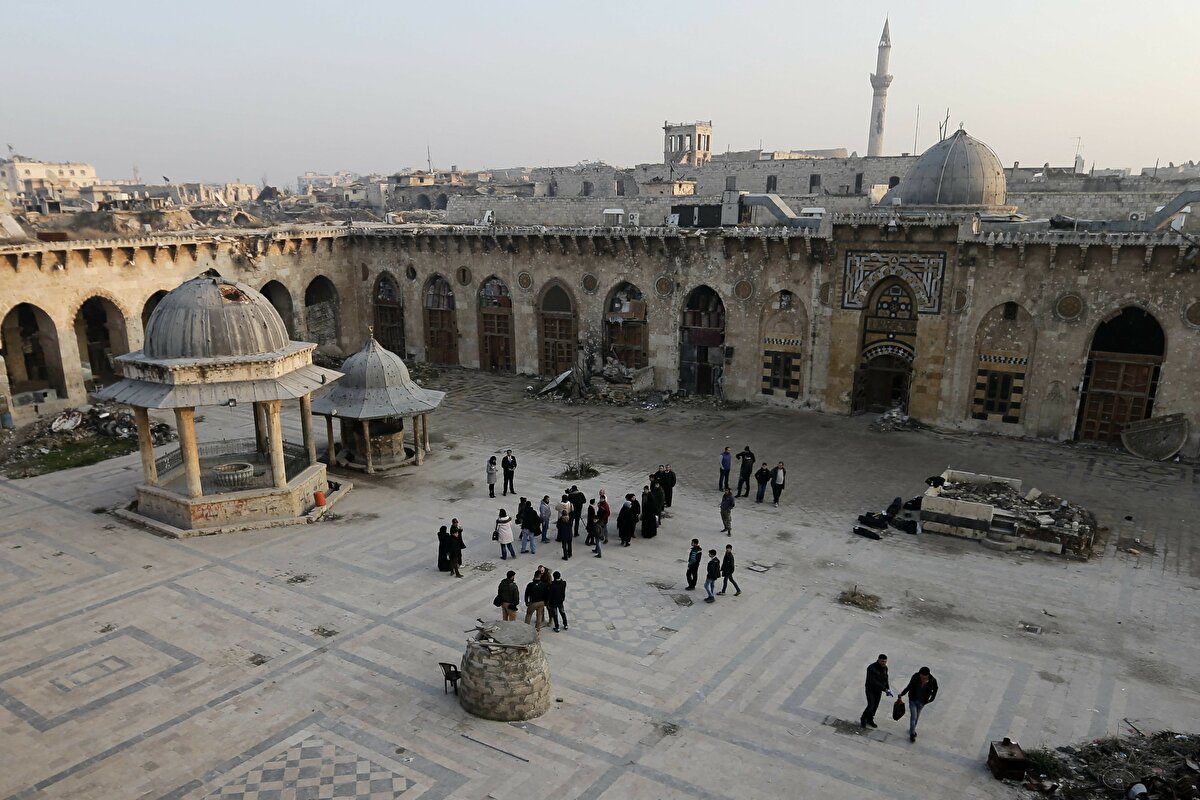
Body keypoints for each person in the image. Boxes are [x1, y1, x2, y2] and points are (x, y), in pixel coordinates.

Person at [899, 666, 938, 742]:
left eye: (924, 677)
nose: (922, 678)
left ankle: (912, 729)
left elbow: (936, 688)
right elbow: (909, 686)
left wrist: (932, 698)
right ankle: (912, 734)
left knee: (917, 716)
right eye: (921, 676)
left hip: (922, 702)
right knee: (913, 716)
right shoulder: (915, 677)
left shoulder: (932, 680)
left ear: (928, 675)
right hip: (913, 700)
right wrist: (903, 693)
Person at [860, 654, 893, 729]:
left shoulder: (885, 668)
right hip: (870, 689)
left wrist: (888, 688)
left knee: (875, 706)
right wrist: (884, 689)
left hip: (878, 690)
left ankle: (870, 719)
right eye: (882, 661)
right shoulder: (871, 668)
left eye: (885, 661)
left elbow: (885, 678)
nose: (884, 663)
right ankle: (863, 718)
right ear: (878, 660)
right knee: (871, 705)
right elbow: (873, 681)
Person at [595, 490, 610, 557]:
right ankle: (596, 549)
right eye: (600, 498)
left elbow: (607, 513)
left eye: (601, 498)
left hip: (603, 520)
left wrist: (603, 518)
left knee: (603, 529)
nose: (600, 499)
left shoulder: (605, 505)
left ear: (604, 499)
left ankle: (605, 538)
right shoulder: (601, 504)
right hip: (600, 520)